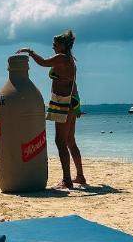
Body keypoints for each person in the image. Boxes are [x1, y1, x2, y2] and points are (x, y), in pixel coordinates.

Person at [18, 30, 86, 190]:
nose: (53, 46)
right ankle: (80, 176)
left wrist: (30, 52)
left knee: (60, 141)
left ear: (62, 45)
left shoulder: (61, 58)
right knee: (70, 141)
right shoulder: (70, 59)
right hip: (70, 101)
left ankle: (67, 180)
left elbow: (42, 62)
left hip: (63, 104)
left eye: (55, 44)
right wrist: (77, 105)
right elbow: (73, 84)